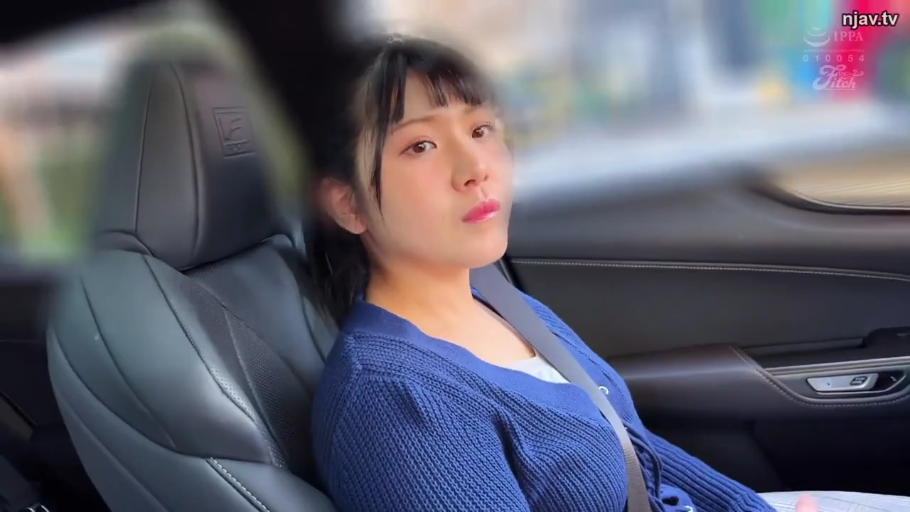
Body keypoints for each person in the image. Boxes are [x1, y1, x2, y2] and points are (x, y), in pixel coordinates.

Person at [305, 34, 910, 512]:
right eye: (420, 146)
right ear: (348, 204)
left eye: (481, 130)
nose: (475, 167)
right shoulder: (397, 401)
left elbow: (634, 450)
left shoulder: (493, 299)